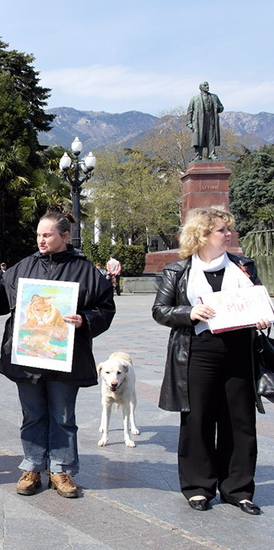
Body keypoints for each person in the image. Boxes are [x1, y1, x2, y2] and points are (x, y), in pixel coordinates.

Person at [0, 211, 115, 498]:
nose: (41, 240)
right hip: (28, 358)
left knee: (62, 415)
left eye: (47, 235)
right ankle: (32, 466)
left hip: (65, 358)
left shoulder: (85, 270)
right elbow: (1, 293)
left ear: (64, 236)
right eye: (38, 234)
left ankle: (61, 469)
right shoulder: (25, 266)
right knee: (32, 414)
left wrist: (85, 320)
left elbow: (106, 308)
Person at [152, 206, 265, 515]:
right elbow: (160, 310)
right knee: (197, 420)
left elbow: (256, 301)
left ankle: (238, 489)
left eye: (229, 229)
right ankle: (198, 488)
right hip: (197, 352)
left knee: (239, 421)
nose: (228, 234)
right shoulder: (178, 271)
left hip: (240, 352)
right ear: (201, 235)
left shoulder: (244, 266)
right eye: (221, 230)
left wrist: (261, 319)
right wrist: (188, 313)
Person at [187, 81, 224, 161]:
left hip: (211, 120)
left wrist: (218, 108)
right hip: (198, 122)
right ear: (201, 87)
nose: (207, 86)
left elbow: (221, 108)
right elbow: (190, 111)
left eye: (208, 85)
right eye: (205, 85)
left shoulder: (214, 97)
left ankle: (212, 153)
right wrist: (189, 122)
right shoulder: (194, 98)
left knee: (211, 137)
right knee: (199, 138)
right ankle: (198, 155)